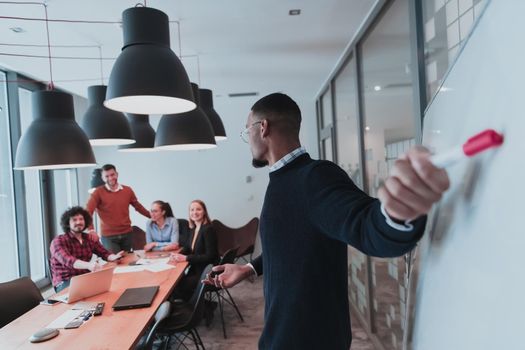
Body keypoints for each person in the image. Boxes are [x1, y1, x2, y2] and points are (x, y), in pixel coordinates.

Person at [204, 93, 450, 349]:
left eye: (247, 130)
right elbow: (289, 245)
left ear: (262, 127)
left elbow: (368, 227)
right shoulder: (282, 180)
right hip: (283, 335)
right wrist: (248, 269)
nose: (248, 140)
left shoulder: (313, 177)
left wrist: (399, 213)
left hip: (309, 340)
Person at [50, 206, 124, 292]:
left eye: (81, 219)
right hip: (64, 282)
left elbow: (104, 253)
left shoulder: (89, 238)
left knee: (113, 285)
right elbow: (68, 260)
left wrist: (113, 257)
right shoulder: (58, 241)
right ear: (67, 223)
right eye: (74, 220)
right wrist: (89, 265)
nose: (78, 222)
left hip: (84, 278)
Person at [86, 164, 150, 253]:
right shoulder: (97, 193)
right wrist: (91, 230)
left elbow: (138, 206)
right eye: (107, 176)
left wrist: (151, 216)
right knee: (115, 262)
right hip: (109, 237)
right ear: (103, 178)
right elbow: (88, 211)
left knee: (127, 262)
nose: (110, 178)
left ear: (117, 174)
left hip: (127, 234)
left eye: (112, 175)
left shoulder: (127, 190)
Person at [170, 200, 218, 300]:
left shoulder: (208, 229)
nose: (195, 212)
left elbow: (210, 256)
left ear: (204, 211)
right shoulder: (194, 228)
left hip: (207, 271)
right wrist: (177, 255)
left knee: (177, 286)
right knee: (174, 281)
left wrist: (186, 258)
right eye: (192, 210)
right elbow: (188, 247)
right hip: (196, 269)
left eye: (198, 209)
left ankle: (195, 310)